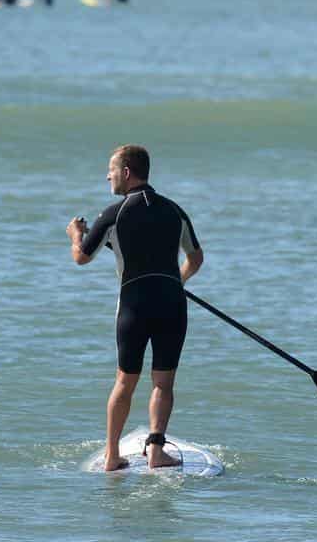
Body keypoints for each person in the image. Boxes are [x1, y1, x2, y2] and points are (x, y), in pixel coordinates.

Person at [66, 145, 204, 471]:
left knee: (125, 381)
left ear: (126, 172)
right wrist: (176, 284)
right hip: (172, 304)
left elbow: (82, 257)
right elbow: (195, 259)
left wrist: (75, 235)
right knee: (163, 382)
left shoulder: (114, 213)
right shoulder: (174, 211)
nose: (108, 176)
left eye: (111, 170)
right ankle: (156, 451)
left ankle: (113, 457)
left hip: (134, 305)